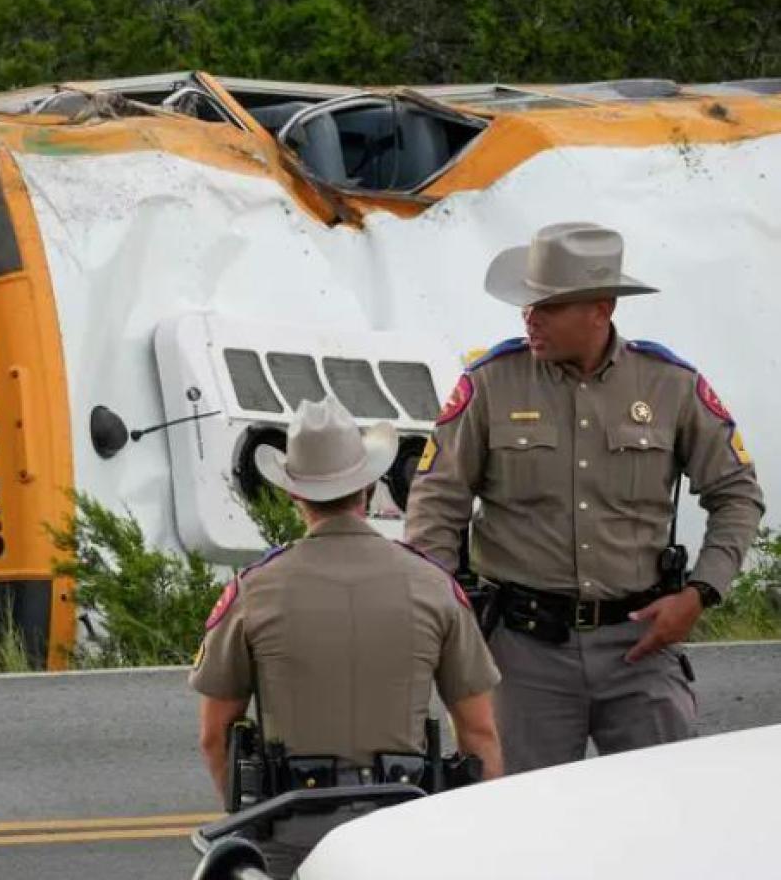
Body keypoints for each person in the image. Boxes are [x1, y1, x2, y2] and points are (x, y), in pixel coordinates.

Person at [405, 221, 764, 774]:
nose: (530, 318)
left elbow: (737, 493)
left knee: (666, 815)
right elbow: (435, 508)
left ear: (600, 309)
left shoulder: (670, 385)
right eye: (528, 304)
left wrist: (700, 593)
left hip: (640, 647)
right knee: (521, 831)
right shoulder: (489, 384)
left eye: (548, 306)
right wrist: (453, 621)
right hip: (522, 656)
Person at [191, 397, 502, 878]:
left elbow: (215, 735)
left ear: (295, 495)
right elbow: (479, 733)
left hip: (292, 833)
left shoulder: (253, 592)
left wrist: (252, 824)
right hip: (401, 829)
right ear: (370, 484)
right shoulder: (434, 586)